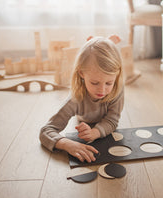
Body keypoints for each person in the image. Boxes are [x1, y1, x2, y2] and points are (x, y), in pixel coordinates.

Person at [40, 35, 124, 163]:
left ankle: (106, 40)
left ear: (116, 76)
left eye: (108, 83)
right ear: (81, 74)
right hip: (83, 118)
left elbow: (112, 120)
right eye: (95, 83)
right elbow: (46, 131)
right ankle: (99, 40)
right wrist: (67, 144)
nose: (102, 91)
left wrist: (95, 132)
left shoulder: (117, 88)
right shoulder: (75, 99)